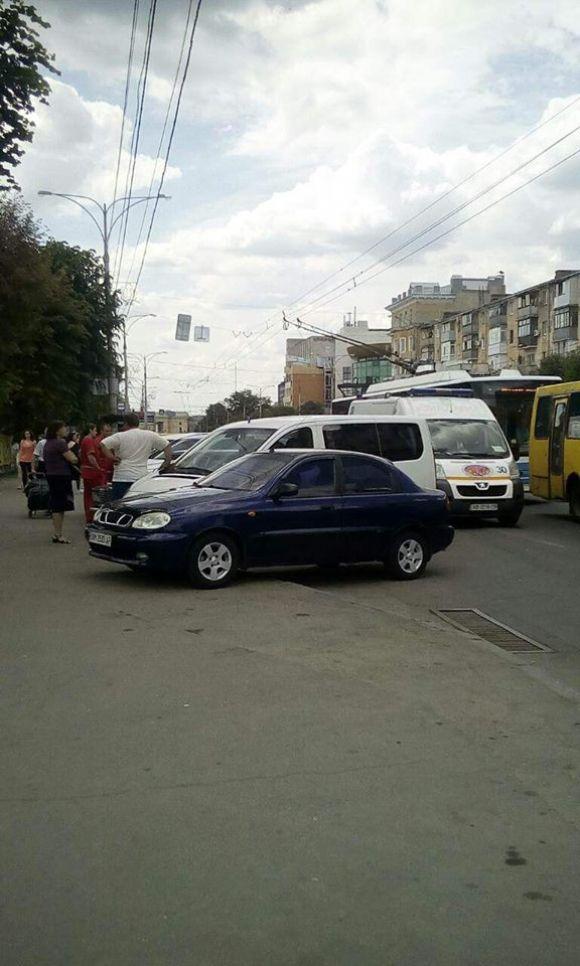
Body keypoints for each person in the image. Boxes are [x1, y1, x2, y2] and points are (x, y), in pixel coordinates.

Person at [101, 413, 173, 501]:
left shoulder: (120, 436)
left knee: (119, 505)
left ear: (126, 423)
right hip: (140, 477)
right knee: (137, 504)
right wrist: (166, 462)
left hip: (121, 477)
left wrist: (112, 457)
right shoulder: (149, 435)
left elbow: (103, 444)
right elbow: (167, 445)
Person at [43, 421, 78, 544]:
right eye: (64, 428)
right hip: (61, 476)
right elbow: (73, 459)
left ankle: (58, 532)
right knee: (60, 506)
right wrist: (74, 455)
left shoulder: (48, 443)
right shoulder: (60, 443)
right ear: (57, 430)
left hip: (51, 475)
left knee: (57, 504)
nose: (66, 430)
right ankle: (58, 534)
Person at [80, 424, 105, 523]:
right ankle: (93, 516)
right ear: (90, 430)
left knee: (88, 495)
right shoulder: (89, 440)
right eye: (95, 430)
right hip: (92, 472)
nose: (96, 433)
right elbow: (91, 456)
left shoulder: (84, 440)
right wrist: (98, 467)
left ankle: (89, 515)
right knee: (96, 495)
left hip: (86, 471)